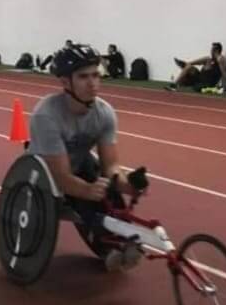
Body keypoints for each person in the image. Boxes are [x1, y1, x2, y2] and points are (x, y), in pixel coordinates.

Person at [28, 44, 146, 272]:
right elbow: (61, 176)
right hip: (45, 173)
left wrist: (126, 184)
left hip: (80, 165)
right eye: (83, 77)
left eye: (95, 75)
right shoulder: (46, 114)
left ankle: (122, 238)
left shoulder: (105, 113)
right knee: (86, 195)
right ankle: (107, 242)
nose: (92, 83)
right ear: (65, 82)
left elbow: (110, 165)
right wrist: (86, 190)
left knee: (106, 185)